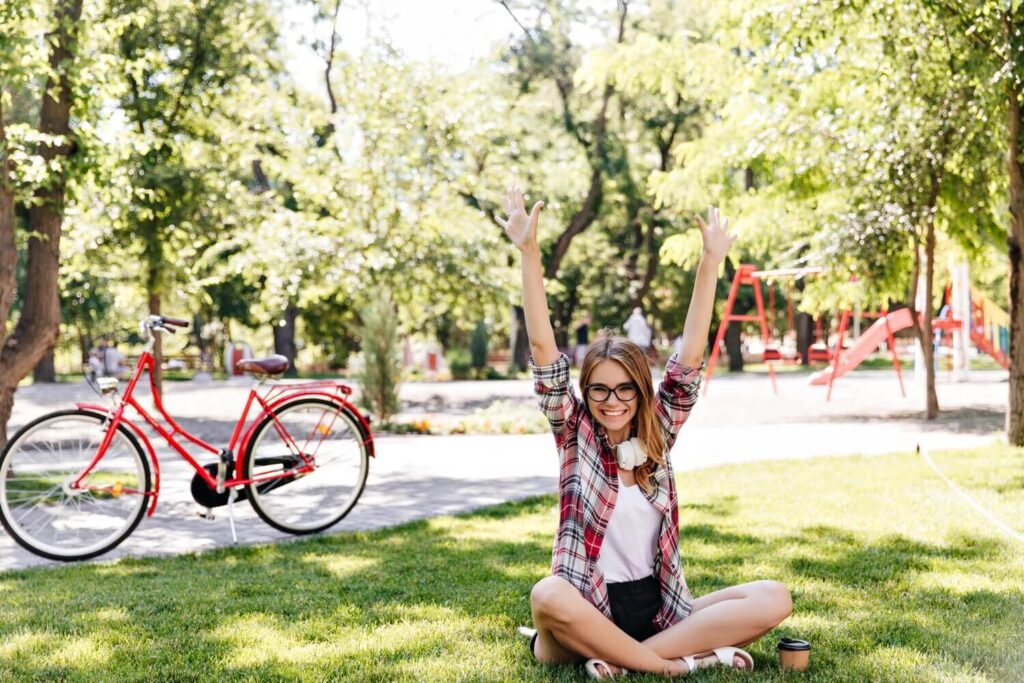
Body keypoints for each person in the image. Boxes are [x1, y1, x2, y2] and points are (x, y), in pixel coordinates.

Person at [497, 186, 792, 678]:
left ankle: (629, 660)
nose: (612, 402)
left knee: (773, 596)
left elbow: (691, 356)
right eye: (599, 390)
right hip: (588, 608)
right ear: (584, 392)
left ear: (641, 390)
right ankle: (677, 666)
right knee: (546, 595)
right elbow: (543, 345)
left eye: (625, 390)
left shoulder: (659, 432)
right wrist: (529, 251)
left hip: (659, 610)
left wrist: (710, 263)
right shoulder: (574, 433)